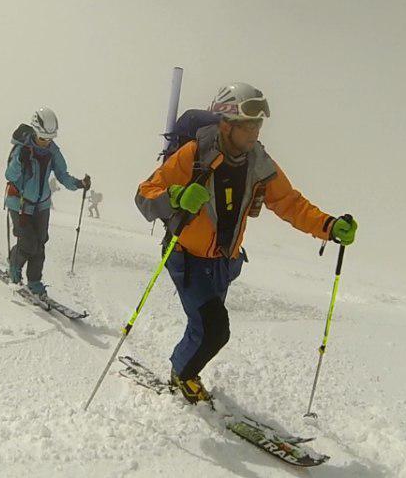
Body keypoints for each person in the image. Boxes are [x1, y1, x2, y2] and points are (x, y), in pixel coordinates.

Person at [135, 82, 357, 404]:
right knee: (215, 329)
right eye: (248, 125)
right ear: (226, 124)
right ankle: (182, 374)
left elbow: (289, 202)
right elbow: (145, 194)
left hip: (224, 262)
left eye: (258, 125)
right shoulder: (194, 153)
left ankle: (184, 368)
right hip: (187, 257)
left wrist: (328, 225)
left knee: (204, 325)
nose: (255, 132)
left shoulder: (258, 161)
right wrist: (177, 196)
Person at [4, 108, 90, 296]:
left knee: (40, 243)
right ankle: (14, 267)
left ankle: (34, 281)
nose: (46, 142)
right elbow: (10, 175)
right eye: (43, 138)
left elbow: (62, 174)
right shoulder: (21, 149)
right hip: (20, 202)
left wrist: (79, 184)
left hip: (42, 204)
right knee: (28, 242)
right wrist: (19, 160)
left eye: (50, 138)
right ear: (35, 131)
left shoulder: (52, 151)